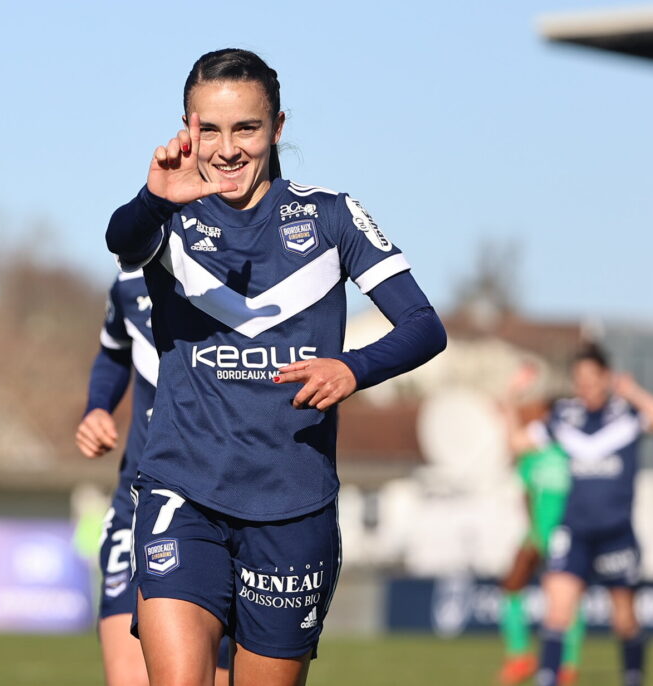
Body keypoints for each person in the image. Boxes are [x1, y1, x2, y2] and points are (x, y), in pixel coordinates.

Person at [105, 48, 446, 686]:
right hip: (185, 490)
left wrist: (352, 368)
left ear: (278, 127)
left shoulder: (333, 216)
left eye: (247, 129)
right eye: (209, 128)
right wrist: (154, 199)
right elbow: (121, 239)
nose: (227, 148)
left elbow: (425, 327)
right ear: (187, 127)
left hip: (294, 504)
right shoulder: (169, 215)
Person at [76, 273, 229, 686]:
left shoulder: (249, 266)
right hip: (138, 503)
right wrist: (97, 408)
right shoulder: (130, 277)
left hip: (225, 512)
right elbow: (112, 351)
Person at [508, 344, 653, 686]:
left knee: (625, 621)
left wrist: (633, 392)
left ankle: (633, 676)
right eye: (579, 379)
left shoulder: (626, 415)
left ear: (606, 378)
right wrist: (510, 399)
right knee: (557, 612)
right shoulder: (565, 417)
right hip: (575, 531)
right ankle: (548, 679)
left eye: (591, 378)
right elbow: (518, 443)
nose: (585, 386)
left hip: (616, 532)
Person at [498, 364, 585, 685]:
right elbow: (513, 441)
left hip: (567, 532)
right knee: (511, 586)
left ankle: (568, 665)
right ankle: (520, 655)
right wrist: (511, 394)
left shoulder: (573, 448)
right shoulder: (533, 452)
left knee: (566, 599)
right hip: (536, 532)